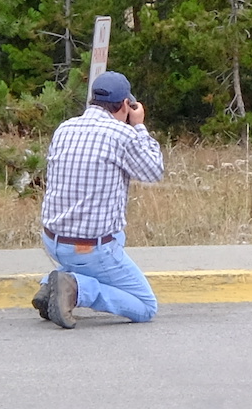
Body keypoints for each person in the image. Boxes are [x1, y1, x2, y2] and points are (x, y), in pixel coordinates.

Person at [34, 70, 164, 329]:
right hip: (91, 248)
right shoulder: (122, 135)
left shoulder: (64, 128)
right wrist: (139, 126)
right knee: (145, 305)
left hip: (53, 241)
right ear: (127, 104)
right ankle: (77, 289)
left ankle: (53, 283)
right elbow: (153, 172)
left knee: (116, 238)